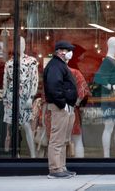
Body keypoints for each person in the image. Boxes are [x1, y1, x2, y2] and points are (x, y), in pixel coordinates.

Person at [42, 40, 77, 179]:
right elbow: (54, 87)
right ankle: (55, 169)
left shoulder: (59, 65)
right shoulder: (55, 66)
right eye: (68, 50)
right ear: (60, 52)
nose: (70, 53)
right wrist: (63, 103)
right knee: (57, 139)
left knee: (63, 139)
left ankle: (61, 167)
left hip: (64, 107)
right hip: (59, 107)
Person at [93, 36, 115, 158]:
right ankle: (107, 157)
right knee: (109, 128)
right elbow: (98, 78)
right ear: (113, 45)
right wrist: (111, 87)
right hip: (111, 100)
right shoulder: (107, 61)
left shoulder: (113, 60)